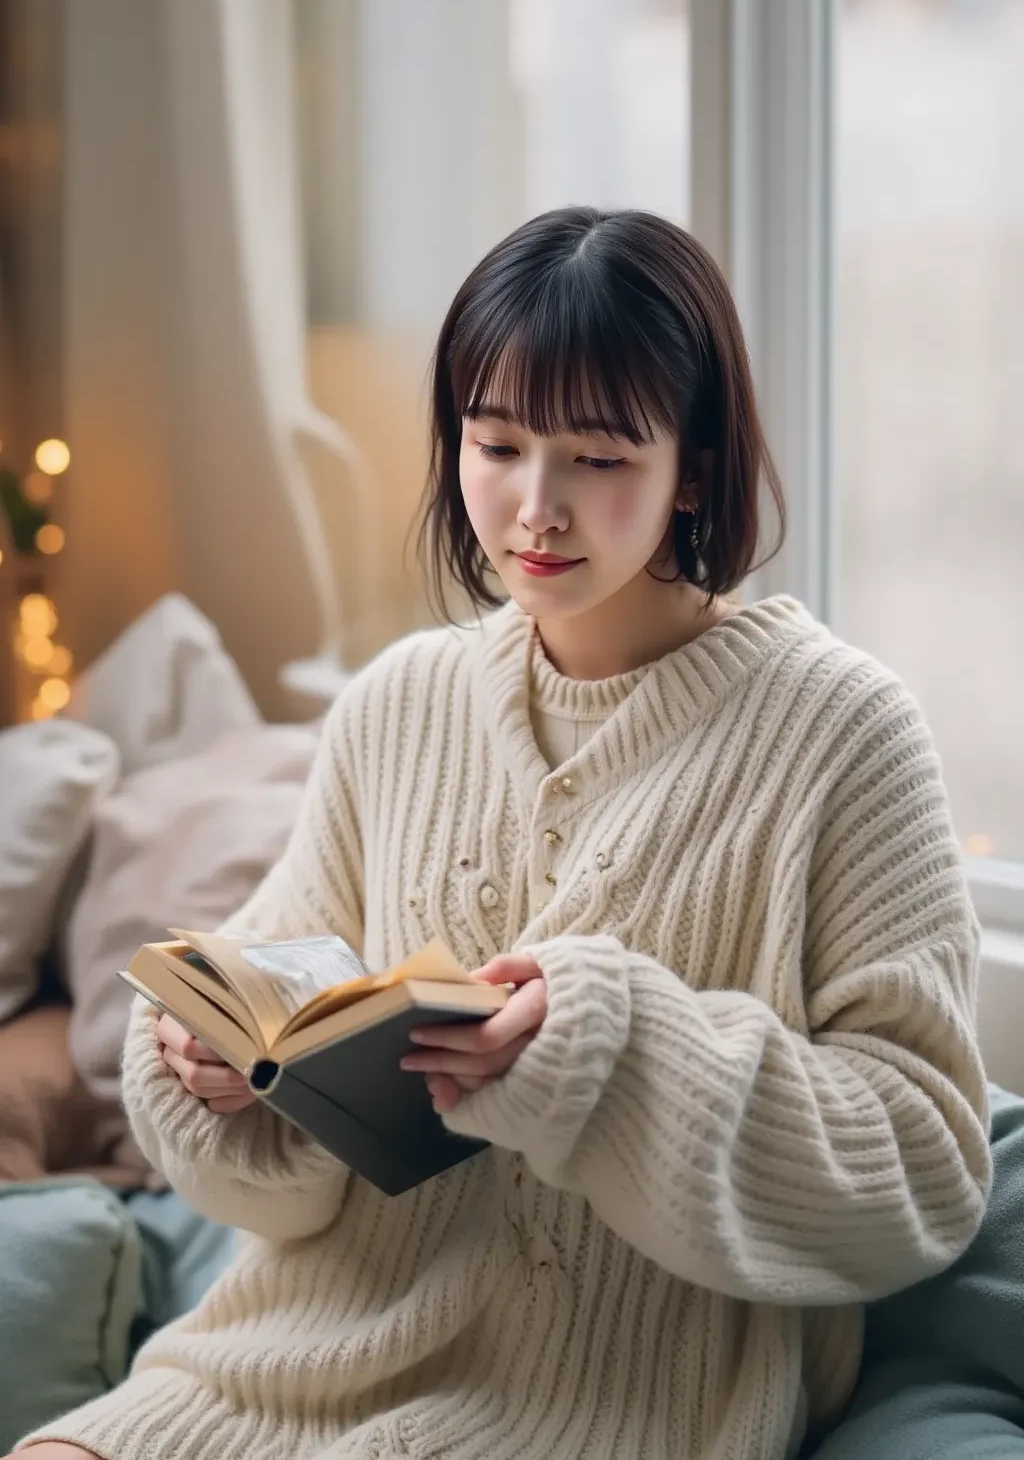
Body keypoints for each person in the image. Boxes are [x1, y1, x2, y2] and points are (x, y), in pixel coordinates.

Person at [13, 207, 992, 1460]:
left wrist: (611, 1053)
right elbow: (272, 1073)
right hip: (277, 1360)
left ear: (693, 466)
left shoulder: (845, 735)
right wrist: (215, 1078)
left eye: (596, 458)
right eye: (496, 444)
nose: (535, 508)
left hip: (599, 1404)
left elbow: (924, 1173)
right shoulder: (397, 705)